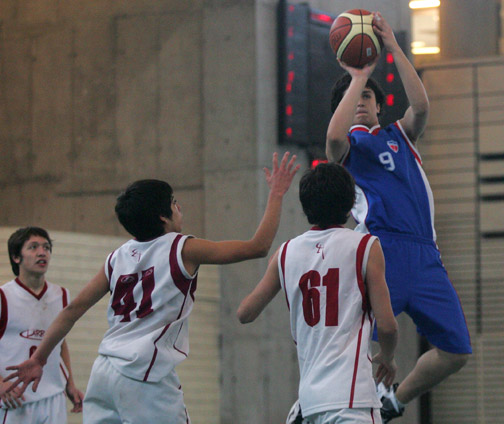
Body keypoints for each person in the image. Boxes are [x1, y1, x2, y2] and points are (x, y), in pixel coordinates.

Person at [4, 152, 299, 423]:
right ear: (162, 216)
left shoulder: (116, 257)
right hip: (143, 376)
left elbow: (72, 310)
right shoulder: (183, 248)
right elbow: (258, 247)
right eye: (174, 202)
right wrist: (276, 194)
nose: (179, 207)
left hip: (103, 373)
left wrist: (39, 358)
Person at [325, 11, 472, 422]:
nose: (359, 102)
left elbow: (421, 105)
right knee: (352, 347)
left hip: (426, 255)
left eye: (366, 97)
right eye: (352, 99)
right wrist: (357, 77)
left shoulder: (400, 135)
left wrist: (391, 44)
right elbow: (333, 137)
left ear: (379, 105)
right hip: (382, 250)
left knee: (456, 351)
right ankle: (321, 403)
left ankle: (394, 400)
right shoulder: (348, 147)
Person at [237, 163, 398, 424]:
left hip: (310, 403)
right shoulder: (365, 246)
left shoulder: (285, 253)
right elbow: (388, 326)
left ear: (305, 206)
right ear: (350, 204)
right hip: (351, 400)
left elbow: (245, 313)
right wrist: (388, 357)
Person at [0, 226, 84, 424]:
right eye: (33, 247)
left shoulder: (61, 295)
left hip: (53, 397)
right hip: (14, 397)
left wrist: (70, 384)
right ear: (16, 257)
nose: (42, 252)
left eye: (46, 247)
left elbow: (60, 343)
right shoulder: (3, 296)